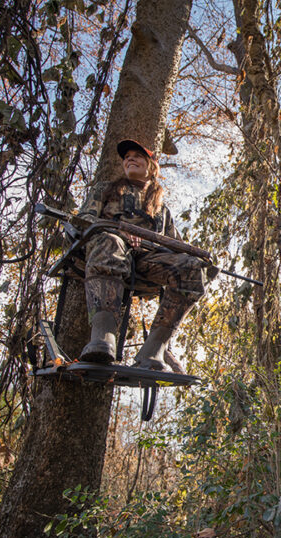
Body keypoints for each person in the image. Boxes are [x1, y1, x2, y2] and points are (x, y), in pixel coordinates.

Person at [77, 139, 215, 371]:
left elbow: (176, 245)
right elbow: (85, 221)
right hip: (108, 249)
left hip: (148, 260)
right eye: (127, 157)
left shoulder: (161, 207)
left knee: (192, 267)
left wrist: (203, 262)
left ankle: (154, 351)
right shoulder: (105, 190)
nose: (130, 159)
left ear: (151, 166)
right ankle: (103, 339)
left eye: (137, 156)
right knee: (111, 243)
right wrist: (117, 231)